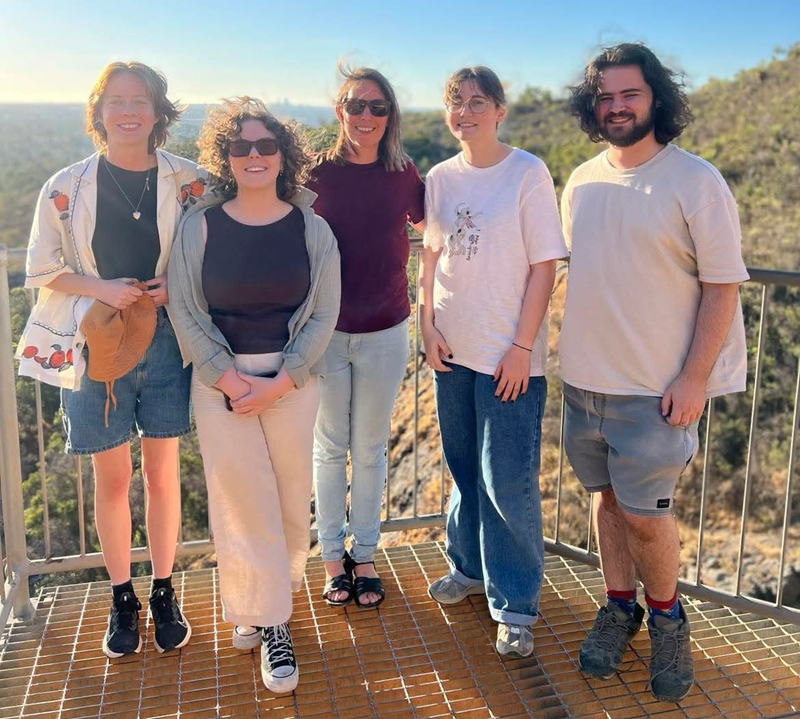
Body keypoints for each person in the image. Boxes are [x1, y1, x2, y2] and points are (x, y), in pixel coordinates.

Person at [560, 43, 749, 702]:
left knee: (645, 515)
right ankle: (620, 607)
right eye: (605, 96)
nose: (616, 106)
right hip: (584, 383)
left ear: (655, 99)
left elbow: (723, 286)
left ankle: (668, 618)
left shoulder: (695, 180)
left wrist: (695, 377)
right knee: (608, 502)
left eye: (629, 94)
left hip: (655, 390)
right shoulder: (581, 180)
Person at [17, 61, 204, 658]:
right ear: (99, 112)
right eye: (116, 101)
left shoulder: (190, 181)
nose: (129, 111)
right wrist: (102, 288)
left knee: (161, 473)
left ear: (158, 112)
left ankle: (165, 589)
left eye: (140, 100)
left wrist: (174, 287)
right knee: (112, 476)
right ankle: (123, 596)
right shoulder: (65, 186)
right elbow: (41, 269)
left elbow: (217, 252)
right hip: (95, 339)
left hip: (169, 336)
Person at [167, 97, 340, 693]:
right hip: (223, 386)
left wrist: (284, 380)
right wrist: (228, 377)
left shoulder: (311, 228)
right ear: (226, 157)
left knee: (292, 502)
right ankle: (273, 624)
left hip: (291, 385)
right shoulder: (201, 227)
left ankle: (259, 602)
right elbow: (186, 309)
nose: (255, 155)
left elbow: (323, 314)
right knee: (247, 503)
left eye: (267, 145)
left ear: (283, 155)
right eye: (241, 147)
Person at [420, 67, 567, 658]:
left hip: (509, 356)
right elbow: (429, 257)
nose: (465, 113)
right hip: (451, 349)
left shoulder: (527, 172)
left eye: (477, 102)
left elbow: (544, 267)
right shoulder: (440, 178)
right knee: (461, 468)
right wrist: (425, 322)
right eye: (455, 103)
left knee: (506, 480)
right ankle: (468, 568)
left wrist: (523, 348)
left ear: (500, 109)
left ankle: (515, 604)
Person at [309, 66, 425, 609]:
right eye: (357, 105)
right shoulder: (315, 175)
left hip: (385, 328)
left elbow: (444, 229)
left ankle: (367, 553)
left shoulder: (404, 174)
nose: (367, 116)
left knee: (370, 448)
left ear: (390, 115)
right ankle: (333, 556)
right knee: (331, 447)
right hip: (325, 333)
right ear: (341, 111)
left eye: (378, 108)